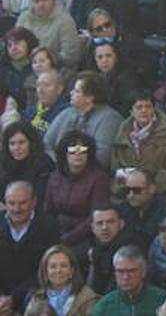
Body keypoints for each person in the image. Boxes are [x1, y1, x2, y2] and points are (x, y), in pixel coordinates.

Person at [0, 180, 61, 311]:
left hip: (34, 293)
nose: (16, 209)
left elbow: (46, 269)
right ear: (5, 203)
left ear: (34, 202)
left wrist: (14, 298)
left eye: (22, 203)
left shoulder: (49, 227)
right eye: (11, 203)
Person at [45, 130, 111, 249]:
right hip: (56, 233)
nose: (77, 154)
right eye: (72, 150)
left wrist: (67, 239)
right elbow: (48, 211)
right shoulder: (55, 176)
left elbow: (94, 217)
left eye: (82, 150)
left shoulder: (99, 178)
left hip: (86, 237)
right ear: (64, 153)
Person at [44, 72, 120, 167]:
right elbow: (46, 144)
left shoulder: (110, 118)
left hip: (92, 177)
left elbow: (101, 157)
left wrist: (71, 166)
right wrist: (61, 164)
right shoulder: (66, 113)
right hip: (58, 171)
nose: (71, 93)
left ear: (89, 97)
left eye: (76, 91)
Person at [114, 167, 166, 250]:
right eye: (127, 190)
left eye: (137, 190)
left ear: (152, 189)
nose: (131, 195)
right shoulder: (121, 210)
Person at [25, 243, 99, 316]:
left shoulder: (87, 298)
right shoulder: (36, 298)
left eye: (63, 266)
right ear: (45, 272)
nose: (58, 270)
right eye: (53, 266)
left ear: (72, 271)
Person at [92, 245, 165, 316]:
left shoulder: (161, 300)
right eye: (120, 271)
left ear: (143, 272)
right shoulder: (104, 306)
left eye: (131, 271)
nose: (125, 277)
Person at [89, 204, 141, 294]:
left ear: (121, 224)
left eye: (110, 222)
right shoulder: (94, 247)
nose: (105, 227)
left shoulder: (130, 247)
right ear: (93, 228)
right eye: (100, 223)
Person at [2, 123, 54, 203]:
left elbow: (40, 198)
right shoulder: (3, 161)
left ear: (31, 143)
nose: (16, 148)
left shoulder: (44, 164)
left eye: (22, 142)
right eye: (12, 144)